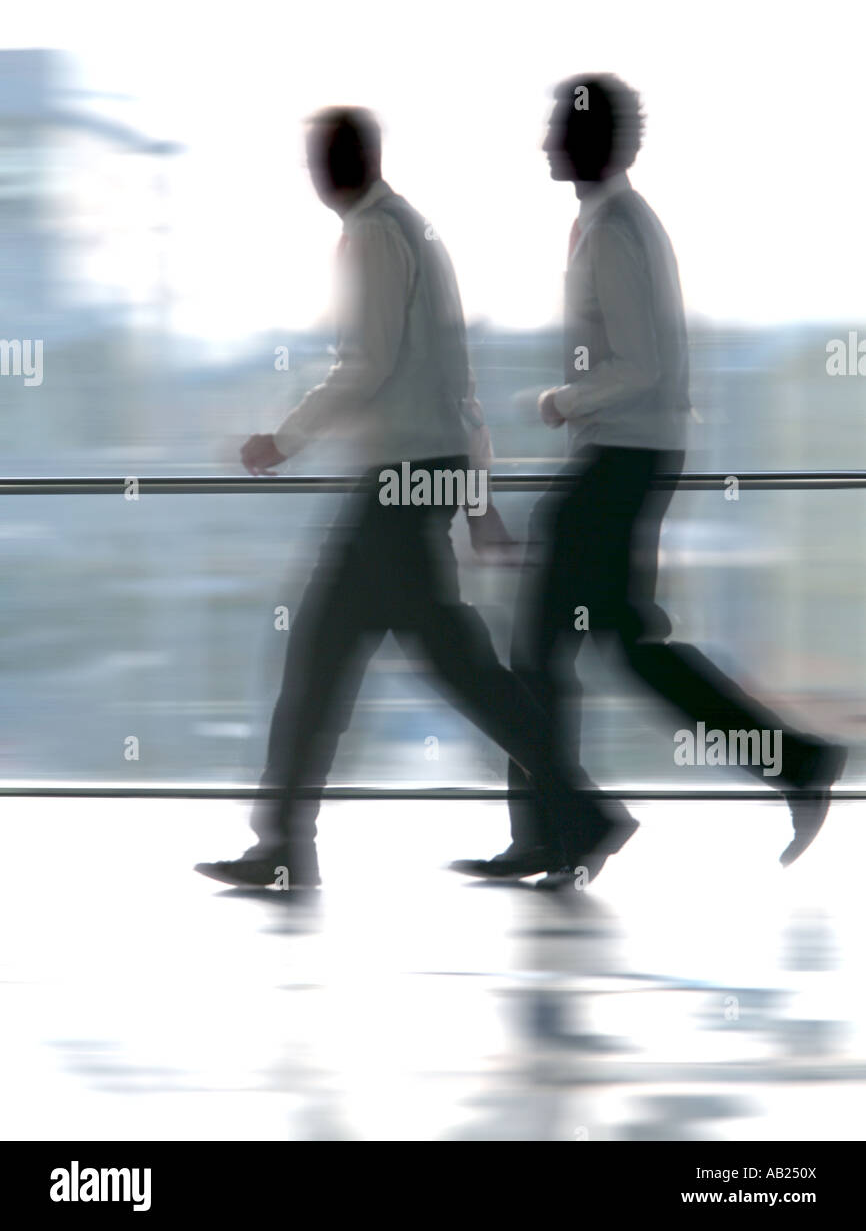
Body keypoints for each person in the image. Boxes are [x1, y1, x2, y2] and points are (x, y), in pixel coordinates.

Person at [196, 105, 631, 890]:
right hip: (417, 482)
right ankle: (580, 809)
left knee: (336, 660)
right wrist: (475, 500)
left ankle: (286, 842)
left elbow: (364, 367)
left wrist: (281, 440)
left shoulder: (373, 237)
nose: (315, 173)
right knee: (398, 662)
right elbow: (456, 386)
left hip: (394, 488)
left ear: (337, 166)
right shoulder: (414, 233)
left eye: (318, 159)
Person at [452, 74, 845, 885]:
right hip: (630, 458)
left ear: (593, 140)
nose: (545, 140)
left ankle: (565, 830)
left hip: (618, 459)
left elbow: (643, 365)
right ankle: (793, 764)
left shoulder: (618, 228)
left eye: (559, 125)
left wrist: (562, 400)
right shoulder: (609, 221)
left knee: (539, 653)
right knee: (627, 647)